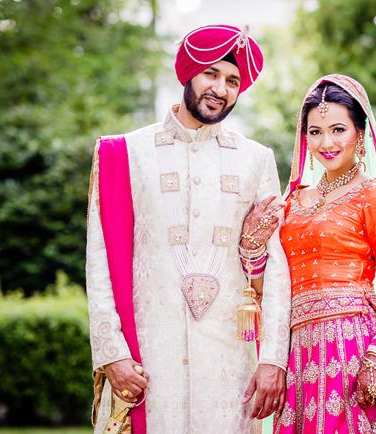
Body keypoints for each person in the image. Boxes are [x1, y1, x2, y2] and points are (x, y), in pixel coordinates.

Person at [85, 24, 291, 434]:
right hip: (147, 359)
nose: (221, 88)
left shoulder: (256, 160)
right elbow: (100, 258)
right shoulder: (123, 154)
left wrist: (273, 358)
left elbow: (276, 264)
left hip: (229, 365)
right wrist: (112, 353)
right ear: (187, 73)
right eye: (211, 74)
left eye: (233, 80)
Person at [253, 74, 376, 433]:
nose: (326, 142)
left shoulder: (374, 198)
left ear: (360, 133)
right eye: (315, 132)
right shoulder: (292, 202)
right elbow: (270, 287)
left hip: (352, 352)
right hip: (297, 357)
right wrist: (252, 246)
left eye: (338, 129)